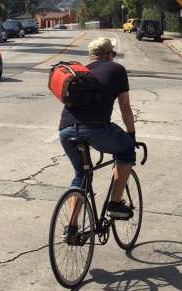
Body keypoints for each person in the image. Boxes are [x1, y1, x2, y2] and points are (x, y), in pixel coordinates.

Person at [58, 37, 137, 227]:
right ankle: (115, 204)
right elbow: (124, 107)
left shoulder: (81, 73)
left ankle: (72, 227)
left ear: (91, 56)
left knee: (81, 174)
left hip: (65, 130)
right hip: (95, 129)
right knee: (126, 151)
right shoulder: (117, 69)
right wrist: (131, 135)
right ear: (109, 55)